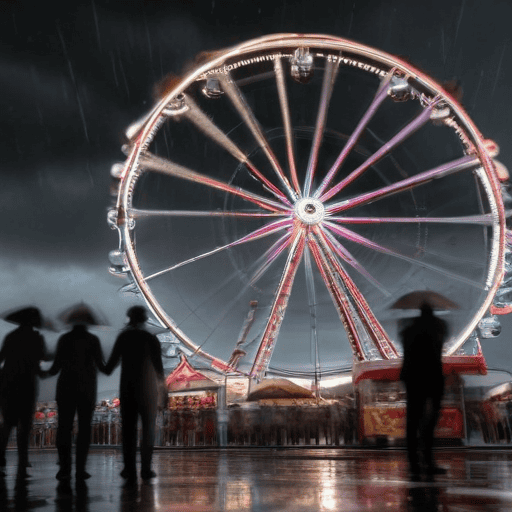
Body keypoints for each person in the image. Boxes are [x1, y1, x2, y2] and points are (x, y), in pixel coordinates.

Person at [104, 306, 165, 483]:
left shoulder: (124, 337)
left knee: (128, 431)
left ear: (129, 318)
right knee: (148, 430)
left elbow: (109, 367)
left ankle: (129, 468)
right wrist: (163, 392)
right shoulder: (151, 338)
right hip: (148, 390)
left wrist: (97, 361)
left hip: (128, 388)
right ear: (145, 319)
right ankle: (146, 469)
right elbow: (159, 369)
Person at [46, 318, 106, 482]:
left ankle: (65, 468)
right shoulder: (93, 340)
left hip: (65, 388)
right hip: (87, 390)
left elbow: (56, 366)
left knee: (64, 428)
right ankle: (81, 469)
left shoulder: (65, 339)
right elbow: (101, 366)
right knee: (85, 429)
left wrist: (43, 372)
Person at [400, 302, 448, 479]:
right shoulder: (436, 329)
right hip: (431, 377)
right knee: (429, 420)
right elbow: (438, 348)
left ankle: (414, 462)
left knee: (413, 420)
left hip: (413, 378)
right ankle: (427, 460)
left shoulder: (408, 330)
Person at [0, 307, 47, 478]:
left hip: (8, 384)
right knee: (24, 426)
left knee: (7, 424)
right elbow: (38, 364)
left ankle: (1, 457)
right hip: (27, 385)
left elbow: (1, 357)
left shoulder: (11, 337)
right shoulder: (36, 338)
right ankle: (23, 460)